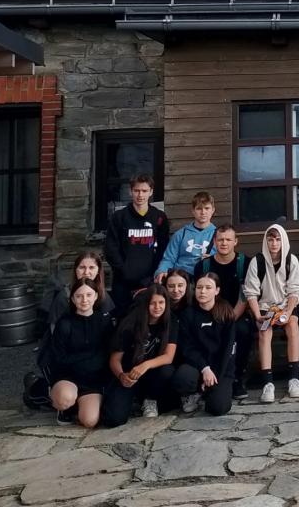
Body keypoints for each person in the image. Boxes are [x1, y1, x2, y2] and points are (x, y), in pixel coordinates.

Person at [243, 222, 299, 403]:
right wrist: (257, 315)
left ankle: (294, 378)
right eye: (270, 239)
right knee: (264, 331)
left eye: (277, 239)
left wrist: (287, 312)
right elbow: (251, 292)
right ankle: (267, 383)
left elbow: (294, 291)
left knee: (293, 325)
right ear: (266, 241)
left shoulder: (291, 260)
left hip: (285, 305)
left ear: (283, 241)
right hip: (265, 307)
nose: (274, 243)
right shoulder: (257, 262)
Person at [101, 284, 177, 426]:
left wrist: (145, 365)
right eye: (152, 303)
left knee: (167, 371)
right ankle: (132, 398)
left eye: (161, 302)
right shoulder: (130, 324)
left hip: (152, 373)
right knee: (114, 418)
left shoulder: (170, 321)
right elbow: (115, 359)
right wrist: (121, 376)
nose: (157, 307)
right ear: (145, 304)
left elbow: (169, 356)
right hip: (129, 373)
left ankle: (150, 399)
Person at [194, 223, 251, 398]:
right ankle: (207, 375)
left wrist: (231, 318)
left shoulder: (245, 263)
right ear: (214, 242)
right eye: (220, 240)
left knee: (243, 330)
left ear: (235, 241)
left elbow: (245, 295)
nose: (224, 243)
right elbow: (200, 294)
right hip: (209, 313)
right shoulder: (203, 266)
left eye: (228, 239)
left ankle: (238, 378)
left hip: (236, 314)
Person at [47, 279, 114, 427]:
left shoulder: (104, 321)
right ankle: (61, 404)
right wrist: (90, 357)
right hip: (68, 377)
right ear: (72, 298)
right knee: (64, 399)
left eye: (89, 295)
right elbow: (58, 358)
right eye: (79, 296)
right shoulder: (64, 323)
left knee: (90, 421)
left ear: (96, 296)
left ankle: (77, 405)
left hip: (93, 381)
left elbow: (107, 353)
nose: (84, 300)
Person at [104, 173, 170, 317]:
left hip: (150, 280)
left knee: (148, 318)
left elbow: (164, 249)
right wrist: (124, 270)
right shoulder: (119, 217)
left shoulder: (159, 217)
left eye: (144, 191)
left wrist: (154, 274)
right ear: (130, 191)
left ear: (151, 192)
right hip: (123, 281)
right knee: (123, 319)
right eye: (137, 191)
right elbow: (110, 249)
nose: (140, 195)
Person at [173, 273, 238, 416]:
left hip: (221, 368)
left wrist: (215, 375)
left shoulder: (226, 313)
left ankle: (211, 391)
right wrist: (205, 369)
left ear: (217, 291)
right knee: (183, 376)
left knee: (218, 408)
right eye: (199, 287)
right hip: (198, 366)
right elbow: (188, 348)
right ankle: (194, 393)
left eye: (208, 288)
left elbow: (227, 350)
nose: (202, 291)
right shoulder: (187, 314)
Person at [155, 192, 217, 281]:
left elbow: (223, 261)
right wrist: (161, 271)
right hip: (181, 279)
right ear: (193, 211)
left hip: (205, 280)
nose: (203, 212)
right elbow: (168, 259)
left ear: (213, 210)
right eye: (199, 208)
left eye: (207, 208)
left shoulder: (218, 236)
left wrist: (212, 260)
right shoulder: (180, 234)